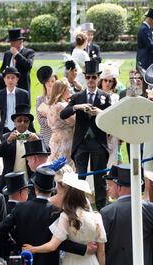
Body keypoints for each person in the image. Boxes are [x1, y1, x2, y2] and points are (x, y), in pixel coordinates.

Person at [0, 168, 94, 265]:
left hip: (23, 263)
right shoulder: (56, 212)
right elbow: (61, 243)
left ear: (35, 188)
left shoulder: (20, 208)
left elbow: (1, 230)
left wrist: (16, 245)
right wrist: (84, 249)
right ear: (52, 190)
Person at [22, 171, 107, 265]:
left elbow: (52, 246)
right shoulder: (97, 217)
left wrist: (33, 249)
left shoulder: (66, 217)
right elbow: (102, 252)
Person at [60, 60, 112, 210]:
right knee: (80, 175)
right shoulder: (77, 97)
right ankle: (78, 205)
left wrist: (99, 113)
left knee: (99, 176)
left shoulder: (104, 97)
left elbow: (110, 116)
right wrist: (77, 107)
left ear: (98, 79)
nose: (90, 81)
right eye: (88, 77)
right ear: (85, 78)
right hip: (81, 142)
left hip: (98, 142)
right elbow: (63, 114)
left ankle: (102, 208)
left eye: (93, 77)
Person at [100, 164, 153, 265]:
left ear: (119, 187)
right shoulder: (152, 210)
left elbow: (101, 250)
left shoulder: (106, 212)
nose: (108, 188)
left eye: (111, 185)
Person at [0, 105, 38, 190]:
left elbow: (48, 152)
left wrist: (37, 141)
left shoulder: (35, 137)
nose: (22, 123)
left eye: (26, 121)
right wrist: (8, 141)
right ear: (14, 122)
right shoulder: (6, 136)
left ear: (29, 123)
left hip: (29, 181)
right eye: (19, 120)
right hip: (9, 180)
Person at [0, 66, 31, 136]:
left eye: (13, 78)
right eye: (8, 77)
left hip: (20, 128)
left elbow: (27, 113)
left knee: (20, 146)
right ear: (4, 79)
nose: (10, 80)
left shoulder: (24, 94)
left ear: (17, 79)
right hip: (3, 129)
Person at [0, 28, 35, 100]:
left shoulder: (29, 52)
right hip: (8, 88)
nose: (11, 44)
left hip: (22, 87)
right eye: (10, 42)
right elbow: (2, 69)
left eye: (13, 42)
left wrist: (16, 54)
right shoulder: (7, 54)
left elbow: (28, 65)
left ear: (20, 41)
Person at [98, 64, 120, 167]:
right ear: (101, 81)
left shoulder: (116, 97)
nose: (107, 83)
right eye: (105, 80)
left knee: (112, 163)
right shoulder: (96, 95)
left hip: (112, 133)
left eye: (110, 81)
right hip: (98, 133)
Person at [47, 80, 75, 165]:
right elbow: (74, 121)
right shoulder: (62, 106)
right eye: (68, 88)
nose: (70, 90)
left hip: (55, 139)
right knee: (65, 168)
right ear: (63, 90)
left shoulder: (51, 105)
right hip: (65, 141)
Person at [35, 66, 58, 147]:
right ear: (44, 83)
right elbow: (41, 122)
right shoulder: (40, 100)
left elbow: (63, 120)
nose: (50, 83)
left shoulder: (61, 99)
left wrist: (48, 114)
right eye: (48, 81)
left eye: (53, 81)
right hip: (46, 138)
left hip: (60, 138)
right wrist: (55, 117)